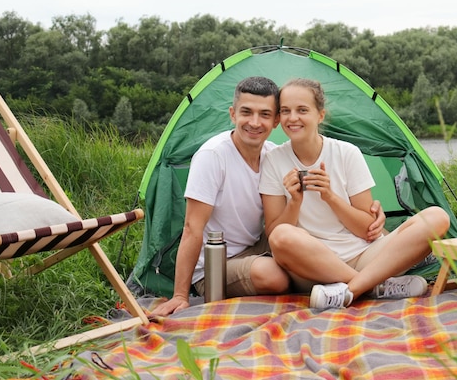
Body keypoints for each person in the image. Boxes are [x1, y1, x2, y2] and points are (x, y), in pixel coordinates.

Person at [152, 76, 386, 317]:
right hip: (219, 261)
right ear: (233, 114)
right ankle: (368, 284)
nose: (254, 122)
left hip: (261, 245)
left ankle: (351, 281)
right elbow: (192, 227)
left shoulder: (273, 155)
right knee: (274, 276)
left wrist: (372, 212)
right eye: (246, 112)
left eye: (264, 114)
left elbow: (288, 219)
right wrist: (181, 295)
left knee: (373, 236)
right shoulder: (213, 156)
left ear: (275, 121)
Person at [259, 78, 451, 310]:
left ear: (320, 115)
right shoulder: (273, 160)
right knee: (281, 236)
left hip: (366, 257)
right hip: (312, 267)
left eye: (302, 110)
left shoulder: (347, 153)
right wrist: (295, 203)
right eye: (286, 111)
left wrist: (330, 196)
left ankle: (352, 290)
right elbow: (272, 234)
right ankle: (377, 287)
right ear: (279, 119)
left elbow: (366, 229)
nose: (293, 118)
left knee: (437, 217)